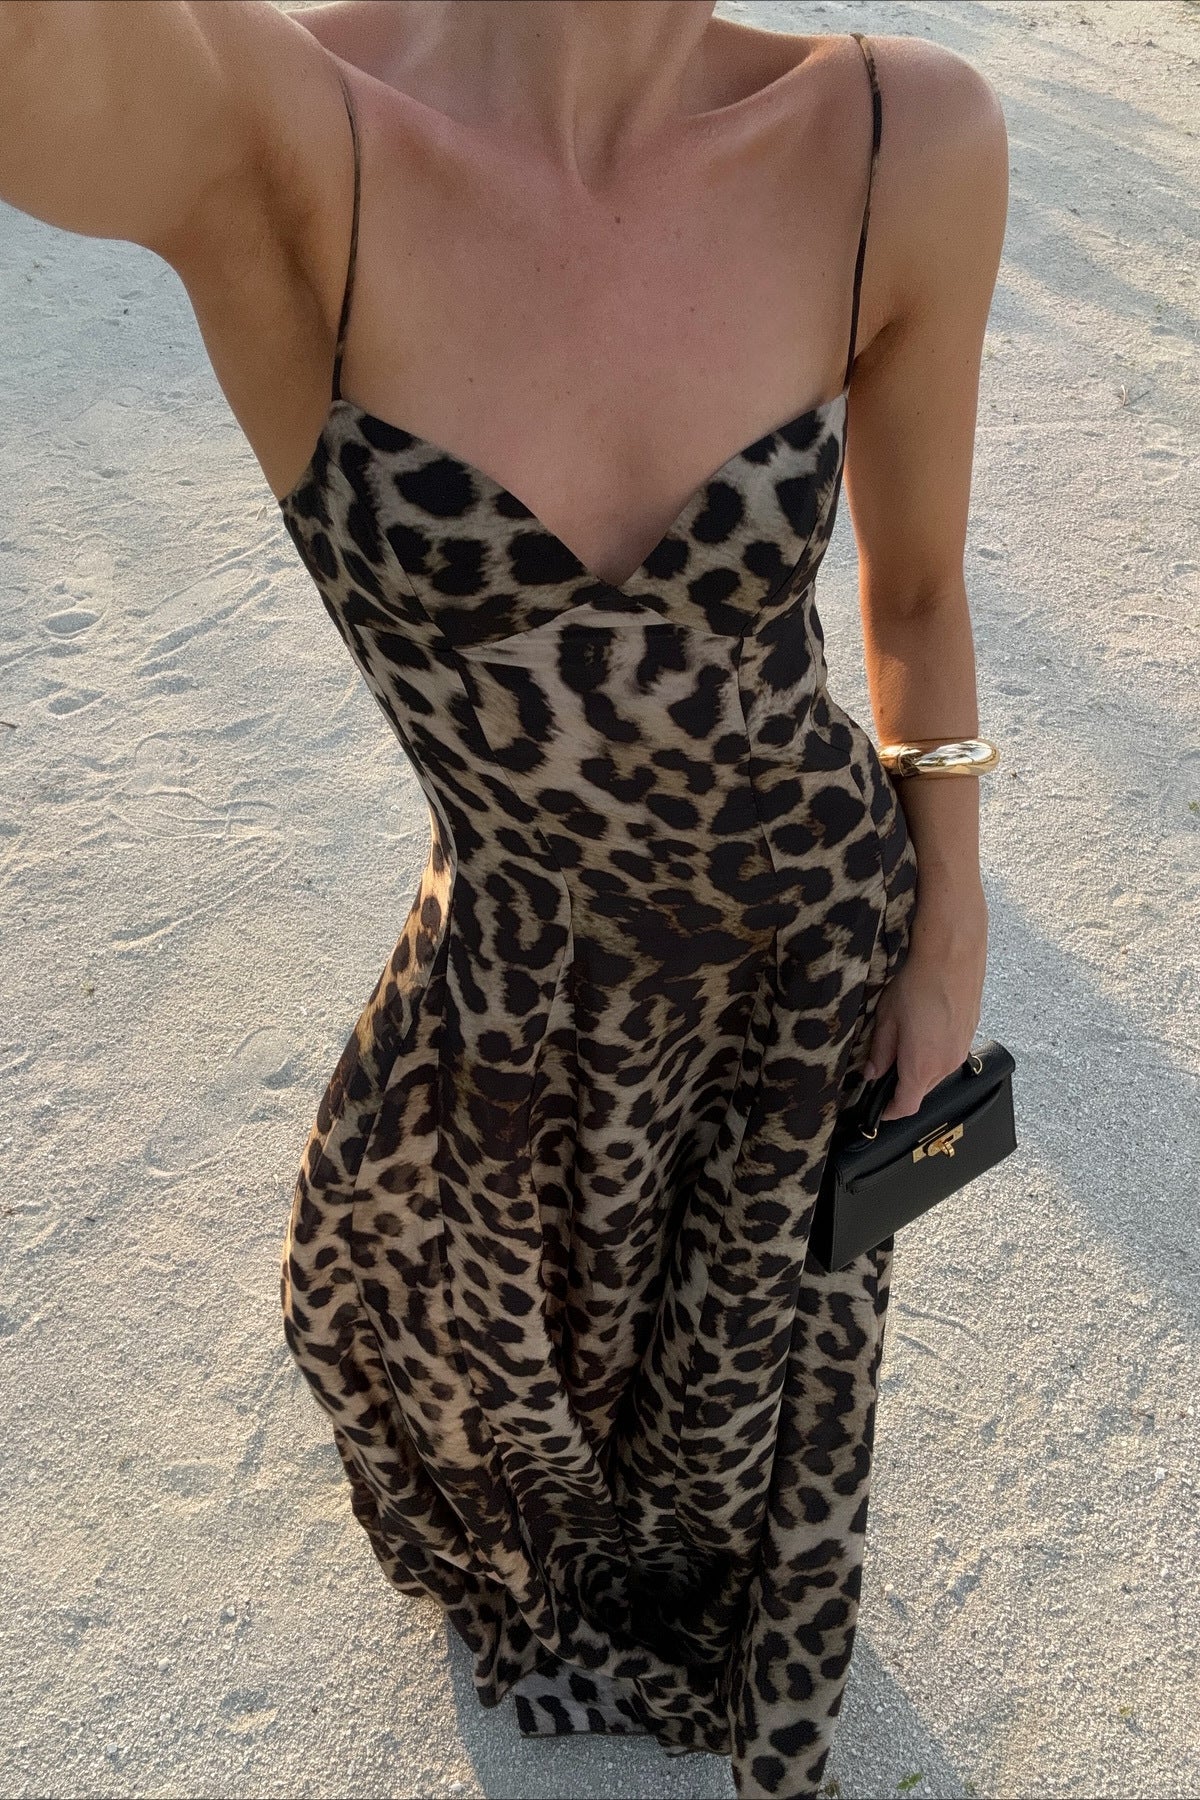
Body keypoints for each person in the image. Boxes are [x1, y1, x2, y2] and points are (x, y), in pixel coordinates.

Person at [0, 2, 1008, 1793]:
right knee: (492, 1392)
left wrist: (949, 922)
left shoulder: (896, 137)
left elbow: (916, 594)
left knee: (726, 1416)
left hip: (805, 955)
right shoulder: (281, 129)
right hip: (521, 981)